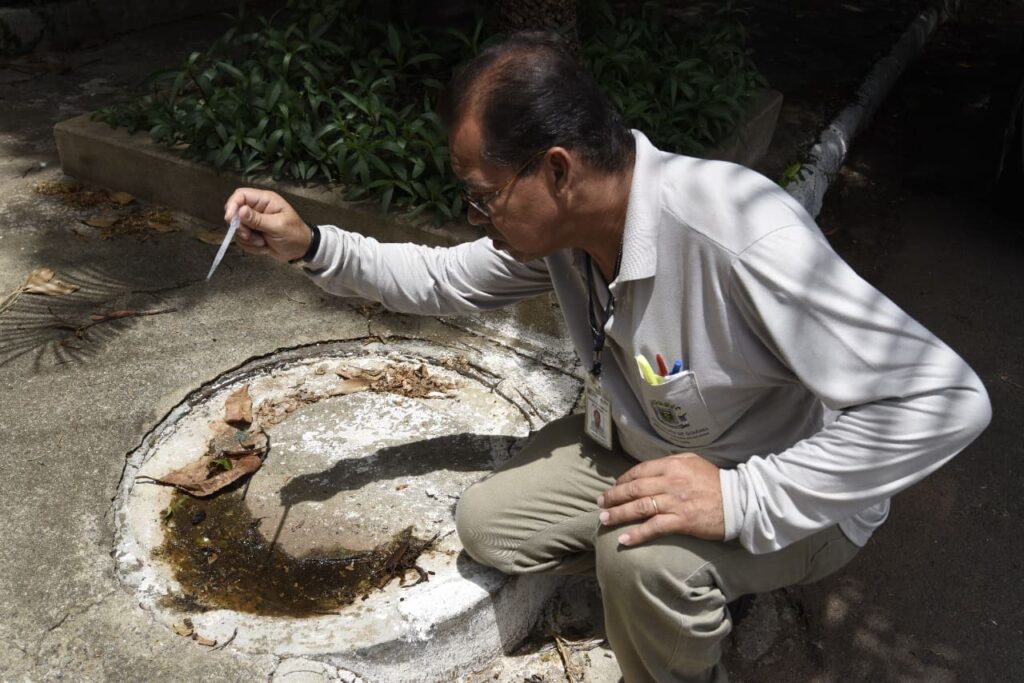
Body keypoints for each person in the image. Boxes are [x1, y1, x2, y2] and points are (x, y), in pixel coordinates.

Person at [222, 32, 991, 683]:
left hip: (792, 488)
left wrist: (742, 500)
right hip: (649, 442)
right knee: (488, 524)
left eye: (484, 195)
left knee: (640, 562)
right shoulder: (570, 231)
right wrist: (312, 244)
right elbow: (442, 279)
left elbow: (944, 398)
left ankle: (687, 640)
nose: (478, 217)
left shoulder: (741, 230)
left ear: (557, 170)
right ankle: (681, 573)